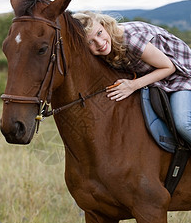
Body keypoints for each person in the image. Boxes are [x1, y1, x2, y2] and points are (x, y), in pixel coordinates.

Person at [73, 11, 191, 145]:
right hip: (155, 72)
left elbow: (168, 67)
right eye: (90, 42)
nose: (99, 43)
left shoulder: (131, 40)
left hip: (180, 73)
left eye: (99, 33)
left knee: (183, 123)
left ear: (104, 25)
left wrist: (133, 85)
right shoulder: (104, 47)